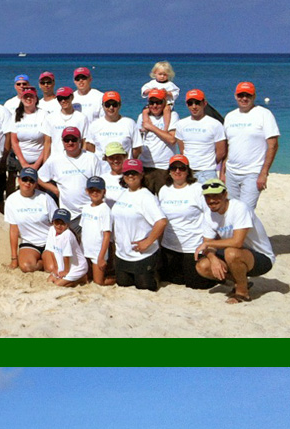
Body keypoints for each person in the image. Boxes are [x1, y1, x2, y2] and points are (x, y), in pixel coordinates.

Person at [194, 181, 276, 302]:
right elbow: (207, 244)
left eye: (216, 196)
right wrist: (213, 259)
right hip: (236, 253)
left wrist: (208, 244)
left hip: (261, 257)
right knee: (202, 266)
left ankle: (242, 292)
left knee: (231, 252)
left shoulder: (239, 208)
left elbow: (237, 242)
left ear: (225, 195)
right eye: (208, 197)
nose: (211, 200)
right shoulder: (209, 214)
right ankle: (241, 281)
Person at [110, 160, 166, 291]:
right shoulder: (123, 194)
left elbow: (161, 221)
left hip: (142, 254)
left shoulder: (146, 197)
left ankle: (156, 270)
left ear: (141, 175)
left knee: (144, 286)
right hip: (122, 253)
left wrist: (148, 242)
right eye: (127, 173)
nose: (130, 176)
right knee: (123, 283)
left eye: (134, 173)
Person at [221, 83, 279, 209]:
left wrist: (264, 173)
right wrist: (223, 172)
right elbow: (228, 145)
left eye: (248, 95)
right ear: (236, 96)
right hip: (231, 173)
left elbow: (273, 145)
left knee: (246, 212)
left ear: (254, 97)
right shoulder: (230, 117)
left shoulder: (264, 114)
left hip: (253, 173)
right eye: (241, 95)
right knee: (233, 211)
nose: (244, 98)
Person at [4, 168, 56, 272]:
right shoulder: (11, 200)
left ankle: (47, 261)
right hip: (29, 242)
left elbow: (56, 223)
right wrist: (14, 258)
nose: (28, 183)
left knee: (52, 268)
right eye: (25, 179)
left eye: (31, 180)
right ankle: (42, 262)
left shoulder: (45, 198)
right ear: (19, 180)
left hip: (48, 241)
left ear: (36, 183)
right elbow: (13, 230)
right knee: (27, 267)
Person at [175, 90, 227, 180]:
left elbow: (221, 151)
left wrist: (208, 163)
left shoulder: (215, 124)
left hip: (208, 172)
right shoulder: (181, 124)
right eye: (190, 103)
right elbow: (182, 150)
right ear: (187, 105)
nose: (194, 106)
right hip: (188, 172)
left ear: (204, 103)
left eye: (197, 103)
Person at [79, 178, 113, 285]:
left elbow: (107, 235)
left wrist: (101, 257)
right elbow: (83, 230)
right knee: (85, 278)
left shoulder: (105, 209)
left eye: (98, 190)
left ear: (104, 191)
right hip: (85, 250)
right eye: (91, 190)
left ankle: (117, 278)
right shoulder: (85, 208)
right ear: (87, 191)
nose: (95, 193)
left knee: (99, 282)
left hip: (97, 252)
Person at [42, 209, 88, 287]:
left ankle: (81, 278)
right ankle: (73, 278)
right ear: (53, 222)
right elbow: (51, 250)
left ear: (68, 224)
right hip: (63, 264)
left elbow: (66, 256)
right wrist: (56, 267)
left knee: (58, 284)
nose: (59, 226)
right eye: (57, 223)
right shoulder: (51, 230)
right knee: (49, 281)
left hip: (77, 266)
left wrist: (65, 271)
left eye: (62, 223)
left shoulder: (67, 235)